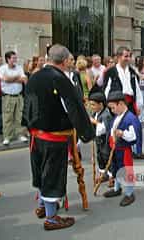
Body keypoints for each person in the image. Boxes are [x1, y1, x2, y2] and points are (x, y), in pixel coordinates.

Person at [22, 44, 95, 230]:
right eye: (69, 60)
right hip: (53, 137)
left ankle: (42, 207)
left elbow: (28, 105)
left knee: (41, 172)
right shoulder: (59, 79)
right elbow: (74, 108)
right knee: (52, 176)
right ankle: (52, 217)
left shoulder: (34, 76)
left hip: (35, 135)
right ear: (64, 61)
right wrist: (87, 132)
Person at [103, 46, 144, 160]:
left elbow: (136, 88)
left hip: (130, 103)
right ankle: (114, 151)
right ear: (118, 57)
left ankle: (137, 151)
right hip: (117, 104)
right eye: (125, 56)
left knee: (135, 127)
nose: (128, 58)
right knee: (116, 128)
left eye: (129, 56)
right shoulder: (111, 72)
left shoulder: (132, 71)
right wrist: (109, 105)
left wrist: (139, 104)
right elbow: (106, 89)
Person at [103, 91, 138, 207]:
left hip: (124, 150)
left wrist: (122, 133)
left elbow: (133, 136)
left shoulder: (130, 118)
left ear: (121, 104)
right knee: (116, 169)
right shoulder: (118, 117)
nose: (112, 111)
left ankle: (129, 193)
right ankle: (117, 188)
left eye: (113, 108)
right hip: (115, 149)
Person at [0, 50, 28, 145]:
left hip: (19, 95)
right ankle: (7, 136)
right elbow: (5, 79)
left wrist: (11, 79)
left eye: (16, 58)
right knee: (8, 117)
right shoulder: (2, 68)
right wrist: (17, 78)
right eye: (13, 58)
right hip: (8, 96)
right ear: (8, 59)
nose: (15, 60)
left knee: (20, 116)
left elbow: (24, 79)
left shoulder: (19, 68)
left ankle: (20, 135)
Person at [88, 91, 113, 185]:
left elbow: (103, 129)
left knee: (107, 158)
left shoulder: (106, 115)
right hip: (98, 141)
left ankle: (112, 177)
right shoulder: (95, 114)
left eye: (93, 105)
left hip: (105, 141)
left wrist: (94, 122)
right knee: (100, 158)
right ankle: (103, 174)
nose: (91, 107)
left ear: (101, 104)